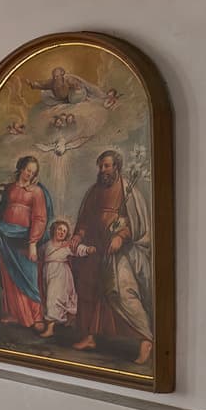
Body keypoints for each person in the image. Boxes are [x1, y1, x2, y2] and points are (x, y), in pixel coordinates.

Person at [72, 149, 155, 364]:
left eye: (106, 166)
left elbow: (137, 224)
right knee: (88, 287)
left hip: (120, 251)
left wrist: (121, 236)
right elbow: (85, 219)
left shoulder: (129, 190)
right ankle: (90, 336)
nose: (102, 170)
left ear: (116, 166)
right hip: (96, 248)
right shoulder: (94, 191)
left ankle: (146, 339)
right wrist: (78, 235)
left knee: (122, 291)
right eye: (100, 166)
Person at [0, 155, 50, 329]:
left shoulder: (36, 192)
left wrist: (32, 243)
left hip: (24, 239)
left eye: (33, 172)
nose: (30, 174)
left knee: (29, 276)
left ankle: (36, 317)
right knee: (9, 276)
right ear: (21, 168)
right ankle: (14, 314)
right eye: (28, 169)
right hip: (5, 236)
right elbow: (1, 211)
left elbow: (40, 218)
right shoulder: (10, 189)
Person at [37, 220, 91, 336]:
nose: (62, 232)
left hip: (61, 275)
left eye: (64, 231)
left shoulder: (67, 245)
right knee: (51, 297)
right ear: (54, 230)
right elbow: (38, 254)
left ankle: (50, 329)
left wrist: (87, 250)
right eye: (59, 229)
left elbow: (78, 249)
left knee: (54, 298)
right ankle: (68, 320)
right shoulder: (46, 245)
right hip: (48, 274)